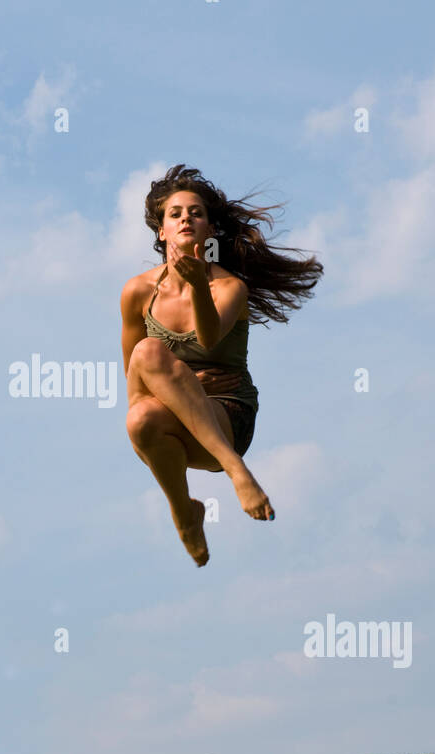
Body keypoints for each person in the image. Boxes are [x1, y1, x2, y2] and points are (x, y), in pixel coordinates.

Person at [119, 165, 323, 566]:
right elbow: (134, 383)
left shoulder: (229, 287)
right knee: (140, 408)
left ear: (210, 229)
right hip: (171, 430)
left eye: (196, 213)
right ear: (161, 231)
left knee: (149, 353)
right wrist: (177, 388)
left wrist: (196, 285)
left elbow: (208, 337)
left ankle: (239, 475)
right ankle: (184, 511)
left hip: (228, 418)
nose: (185, 219)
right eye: (175, 214)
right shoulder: (137, 292)